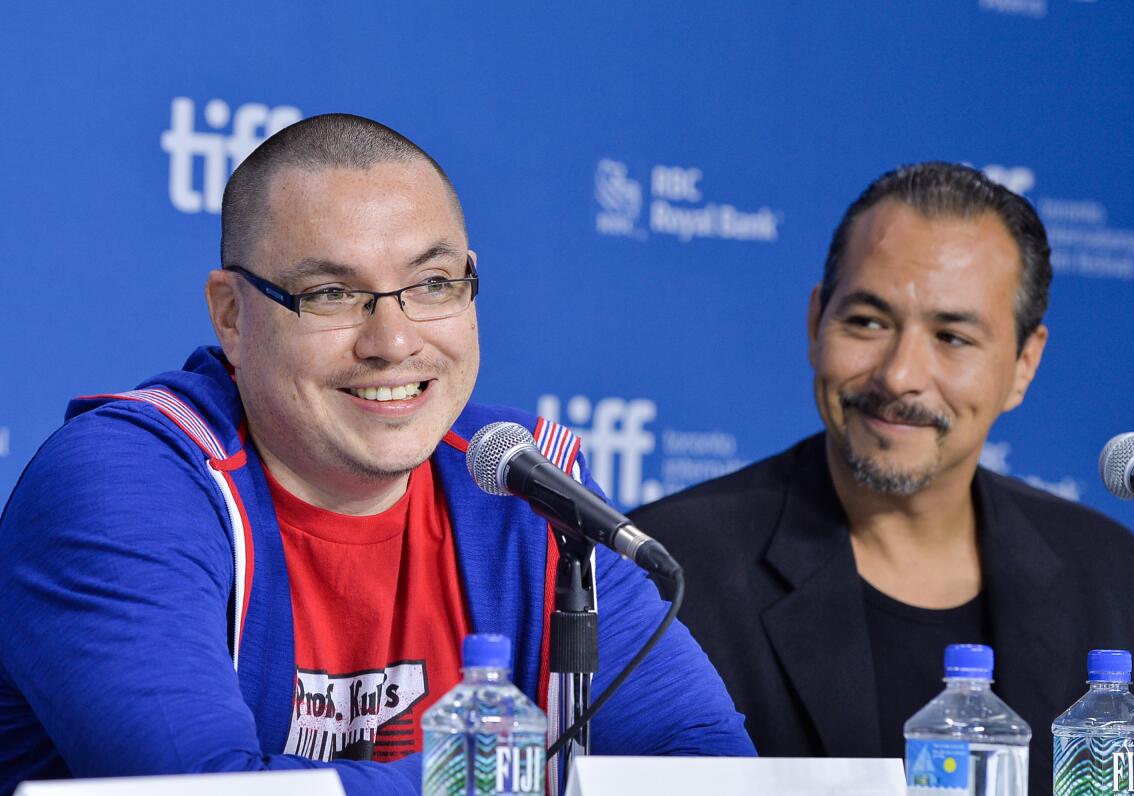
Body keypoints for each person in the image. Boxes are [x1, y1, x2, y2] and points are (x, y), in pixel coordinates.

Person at [0, 114, 753, 795]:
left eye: (432, 284)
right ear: (232, 316)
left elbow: (700, 763)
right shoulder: (122, 485)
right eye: (330, 293)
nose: (393, 343)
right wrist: (507, 784)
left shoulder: (521, 483)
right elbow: (201, 792)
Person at [629, 162, 1134, 795]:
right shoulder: (671, 570)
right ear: (815, 322)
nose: (899, 376)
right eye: (866, 322)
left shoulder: (1110, 575)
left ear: (1024, 364)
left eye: (952, 336)